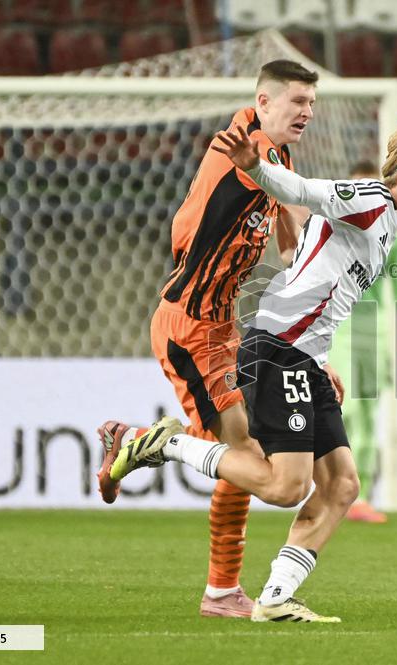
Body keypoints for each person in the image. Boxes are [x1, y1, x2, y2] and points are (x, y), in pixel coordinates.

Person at [106, 121, 397, 622]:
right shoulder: (372, 199)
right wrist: (256, 168)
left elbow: (306, 271)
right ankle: (165, 443)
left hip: (303, 357)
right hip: (278, 353)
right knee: (286, 487)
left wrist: (320, 361)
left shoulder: (385, 229)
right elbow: (305, 191)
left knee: (341, 485)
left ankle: (273, 597)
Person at [95, 60, 327, 619]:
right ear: (263, 102)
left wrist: (294, 256)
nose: (307, 112)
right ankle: (141, 442)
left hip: (221, 326)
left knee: (249, 456)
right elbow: (281, 201)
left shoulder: (274, 156)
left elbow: (285, 227)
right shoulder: (245, 147)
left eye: (311, 104)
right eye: (296, 101)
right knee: (248, 457)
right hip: (191, 327)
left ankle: (222, 590)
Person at [329, 162, 397, 524]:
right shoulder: (334, 225)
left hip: (375, 329)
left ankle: (359, 495)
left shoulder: (394, 231)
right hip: (339, 326)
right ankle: (332, 487)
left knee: (369, 414)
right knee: (346, 407)